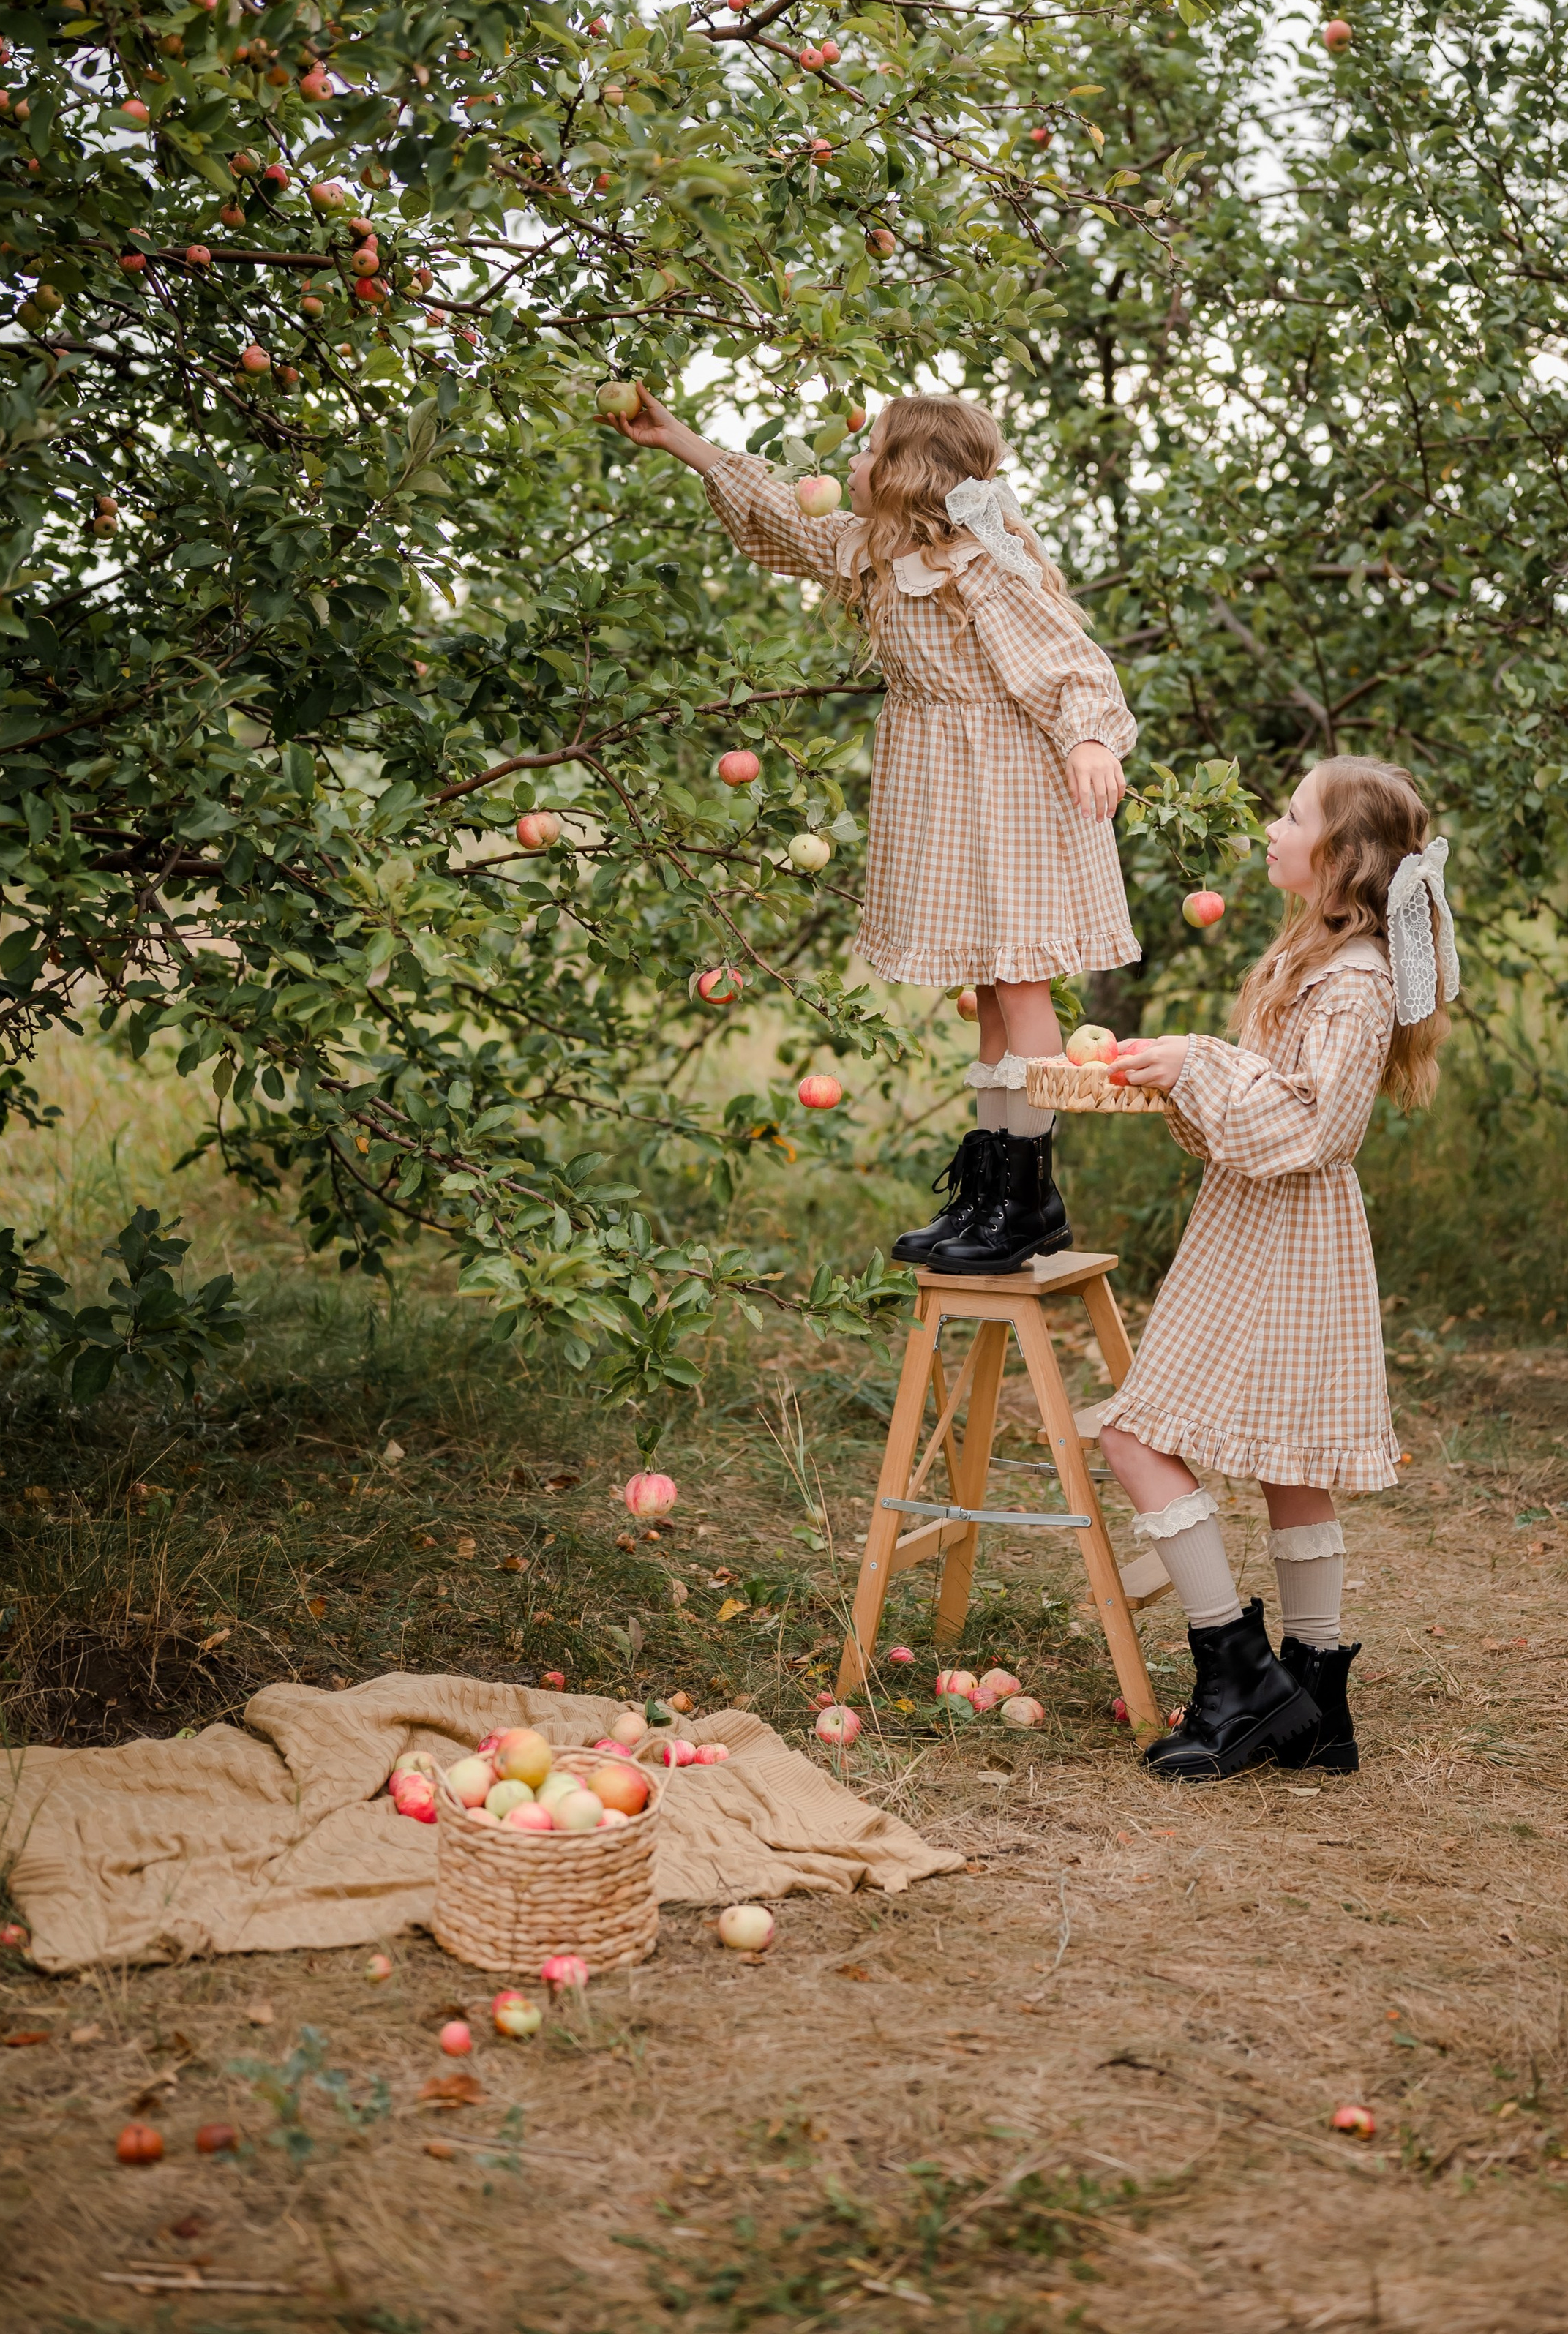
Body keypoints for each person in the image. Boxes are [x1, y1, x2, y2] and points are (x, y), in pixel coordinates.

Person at [612, 389, 1140, 1272]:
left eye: (867, 454)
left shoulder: (978, 565)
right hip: (945, 792)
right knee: (988, 990)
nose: (847, 467)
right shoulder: (875, 551)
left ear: (903, 476)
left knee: (1018, 985)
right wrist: (682, 443)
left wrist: (1090, 737)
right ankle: (989, 1188)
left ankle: (1029, 1195)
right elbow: (782, 516)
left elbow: (1069, 662)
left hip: (1009, 792)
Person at [1098, 755, 1458, 1782]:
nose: (1270, 823)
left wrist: (1199, 1061)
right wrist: (1189, 1068)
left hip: (1282, 1237)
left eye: (1290, 813)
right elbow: (1273, 1108)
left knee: (1134, 1437)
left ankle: (1241, 1679)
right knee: (1291, 1467)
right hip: (1270, 1225)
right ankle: (1315, 1703)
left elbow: (1315, 1129)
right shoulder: (1322, 959)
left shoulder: (1354, 983)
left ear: (1339, 856)